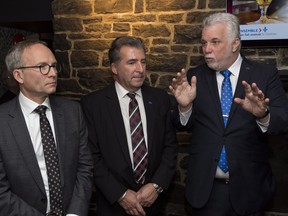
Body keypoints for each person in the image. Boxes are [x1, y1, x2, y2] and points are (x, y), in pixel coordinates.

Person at [169, 12, 288, 216]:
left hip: (250, 189)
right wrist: (184, 108)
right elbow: (183, 125)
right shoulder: (194, 76)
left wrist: (263, 115)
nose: (207, 50)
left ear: (235, 44)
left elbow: (283, 122)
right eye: (204, 42)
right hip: (205, 191)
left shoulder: (264, 75)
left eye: (215, 42)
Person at [81, 36, 178, 216]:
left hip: (153, 203)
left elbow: (170, 147)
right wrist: (121, 194)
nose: (140, 69)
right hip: (113, 206)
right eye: (132, 62)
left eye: (143, 62)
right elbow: (91, 156)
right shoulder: (93, 105)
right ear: (114, 68)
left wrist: (156, 186)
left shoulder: (159, 99)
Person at [0, 40, 93, 216]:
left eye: (54, 66)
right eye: (42, 66)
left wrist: (75, 213)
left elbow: (84, 168)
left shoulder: (73, 112)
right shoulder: (3, 121)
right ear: (19, 75)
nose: (52, 73)